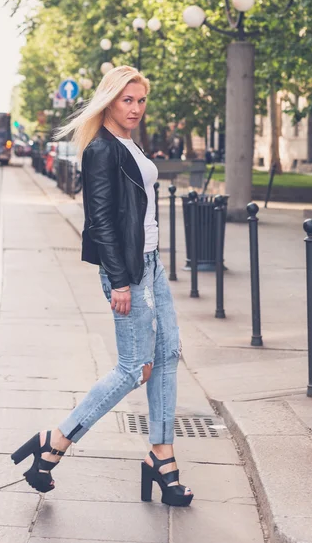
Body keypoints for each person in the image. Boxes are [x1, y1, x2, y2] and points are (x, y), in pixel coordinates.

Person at [11, 65, 193, 507]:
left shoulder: (131, 144)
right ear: (109, 101)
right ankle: (54, 442)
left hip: (151, 264)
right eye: (127, 100)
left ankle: (161, 457)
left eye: (140, 100)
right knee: (134, 368)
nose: (135, 108)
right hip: (127, 270)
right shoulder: (100, 150)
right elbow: (102, 222)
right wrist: (120, 281)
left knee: (167, 355)